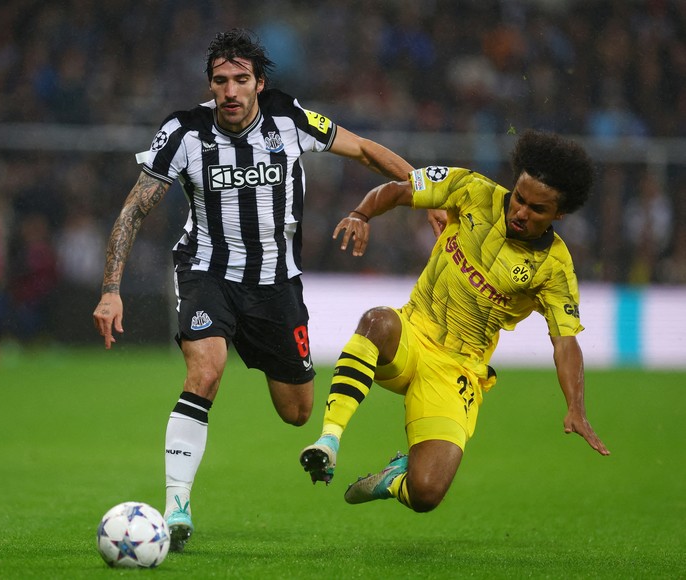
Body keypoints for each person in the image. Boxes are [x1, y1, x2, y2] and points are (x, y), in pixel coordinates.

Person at [92, 28, 432, 553]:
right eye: (220, 81)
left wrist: (428, 191)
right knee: (205, 372)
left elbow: (363, 149)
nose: (229, 91)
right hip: (208, 272)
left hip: (275, 286)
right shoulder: (183, 132)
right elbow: (136, 206)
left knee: (297, 412)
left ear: (258, 83)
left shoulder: (288, 119)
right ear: (210, 85)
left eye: (240, 80)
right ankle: (176, 505)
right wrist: (110, 288)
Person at [299, 129, 610, 514]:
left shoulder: (555, 268)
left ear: (559, 214)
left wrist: (575, 406)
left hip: (458, 368)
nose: (521, 212)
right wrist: (361, 213)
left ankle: (395, 477)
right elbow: (399, 189)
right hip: (412, 331)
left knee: (426, 494)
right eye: (519, 198)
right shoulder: (471, 190)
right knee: (377, 321)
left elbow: (566, 343)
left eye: (537, 210)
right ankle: (329, 440)